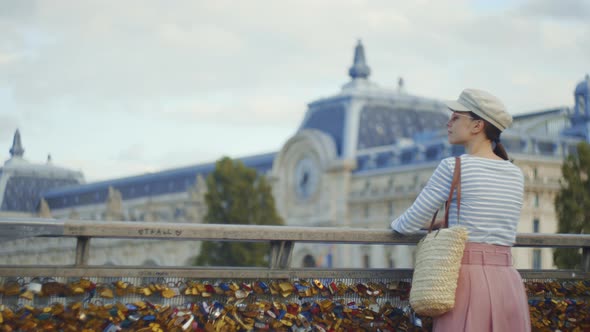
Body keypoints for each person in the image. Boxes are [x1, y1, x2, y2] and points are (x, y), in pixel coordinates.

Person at [390, 88, 531, 331]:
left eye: (456, 117)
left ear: (477, 125)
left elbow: (407, 224)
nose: (448, 122)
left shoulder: (453, 166)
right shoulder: (515, 173)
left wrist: (398, 224)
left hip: (463, 280)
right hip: (507, 281)